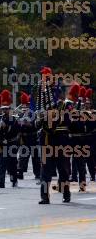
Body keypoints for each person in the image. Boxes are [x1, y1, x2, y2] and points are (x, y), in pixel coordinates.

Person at [37, 67, 72, 204]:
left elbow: (69, 124)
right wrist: (40, 119)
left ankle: (66, 193)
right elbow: (36, 123)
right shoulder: (41, 101)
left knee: (63, 168)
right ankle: (44, 196)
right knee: (45, 169)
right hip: (46, 138)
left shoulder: (64, 106)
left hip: (60, 139)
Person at [0, 90, 20, 188]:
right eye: (3, 109)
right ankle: (1, 182)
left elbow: (16, 131)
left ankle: (14, 180)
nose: (4, 111)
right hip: (1, 144)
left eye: (6, 109)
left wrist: (7, 126)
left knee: (12, 164)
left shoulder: (13, 120)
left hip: (11, 144)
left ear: (9, 109)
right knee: (1, 164)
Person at [17, 92, 40, 184]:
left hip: (33, 137)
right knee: (23, 156)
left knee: (35, 156)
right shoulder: (19, 115)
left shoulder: (33, 114)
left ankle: (37, 173)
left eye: (26, 105)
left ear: (29, 105)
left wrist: (29, 124)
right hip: (24, 137)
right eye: (23, 105)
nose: (24, 107)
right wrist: (19, 124)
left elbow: (36, 125)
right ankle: (20, 171)